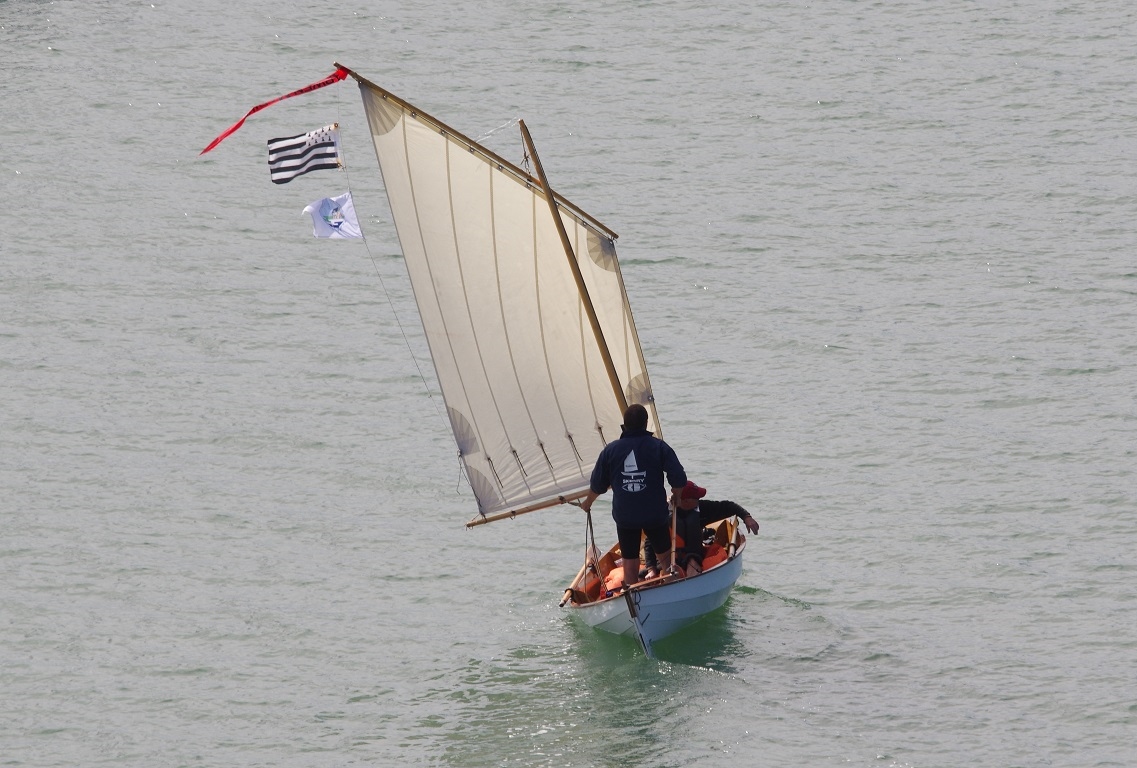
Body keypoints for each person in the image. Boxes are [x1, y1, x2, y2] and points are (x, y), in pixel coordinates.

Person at [580, 403, 687, 589]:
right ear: (646, 424)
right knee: (665, 557)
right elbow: (678, 478)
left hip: (626, 516)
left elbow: (597, 485)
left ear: (624, 425)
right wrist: (676, 495)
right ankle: (673, 588)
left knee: (629, 562)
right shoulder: (659, 447)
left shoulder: (610, 451)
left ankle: (632, 594)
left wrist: (587, 503)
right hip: (654, 513)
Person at [643, 480, 761, 578]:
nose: (699, 500)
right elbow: (649, 543)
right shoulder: (662, 515)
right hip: (668, 562)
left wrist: (746, 516)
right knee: (645, 574)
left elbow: (727, 506)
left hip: (693, 558)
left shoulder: (701, 508)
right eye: (696, 497)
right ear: (686, 502)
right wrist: (651, 568)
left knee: (692, 561)